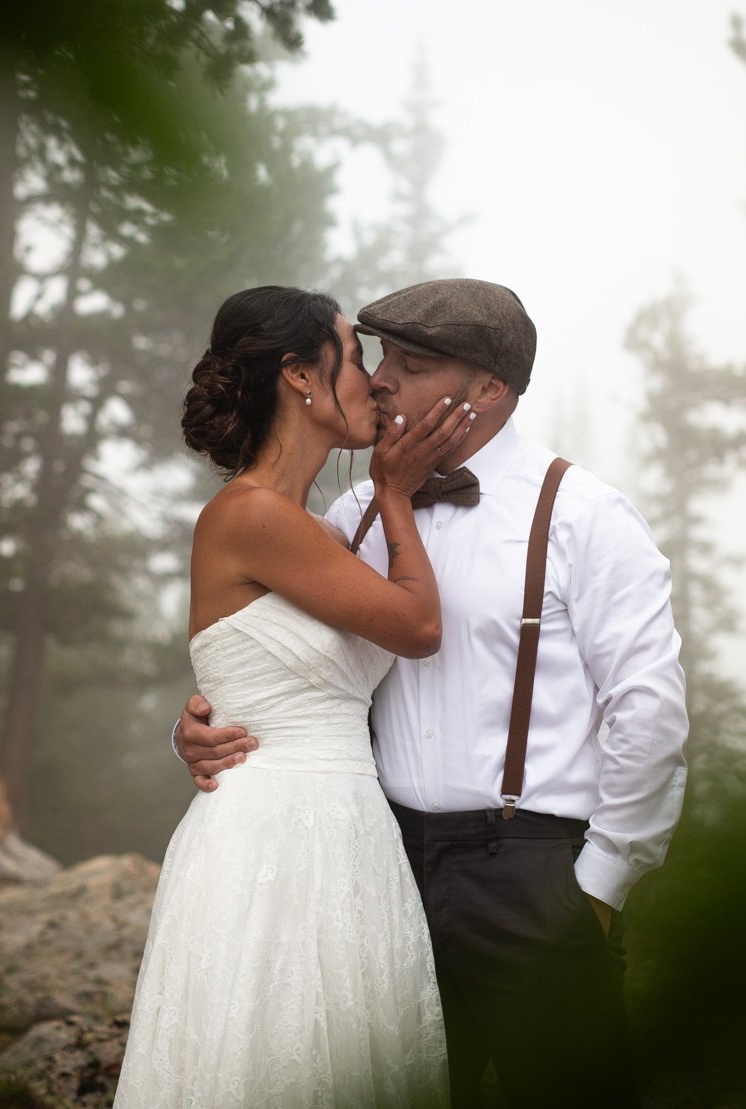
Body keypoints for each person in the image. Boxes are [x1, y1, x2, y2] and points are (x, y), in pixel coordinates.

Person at [175, 278, 690, 1108]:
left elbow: (649, 711)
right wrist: (203, 725)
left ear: (488, 388)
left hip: (527, 877)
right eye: (375, 357)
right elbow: (270, 651)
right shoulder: (350, 515)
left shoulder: (582, 515)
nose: (379, 379)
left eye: (409, 364)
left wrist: (599, 885)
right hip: (375, 875)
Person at [115, 285, 473, 1108]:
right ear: (299, 376)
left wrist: (192, 725)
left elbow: (269, 672)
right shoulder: (252, 516)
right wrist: (394, 494)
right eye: (352, 356)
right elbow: (417, 625)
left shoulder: (311, 526)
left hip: (348, 836)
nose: (374, 381)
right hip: (272, 842)